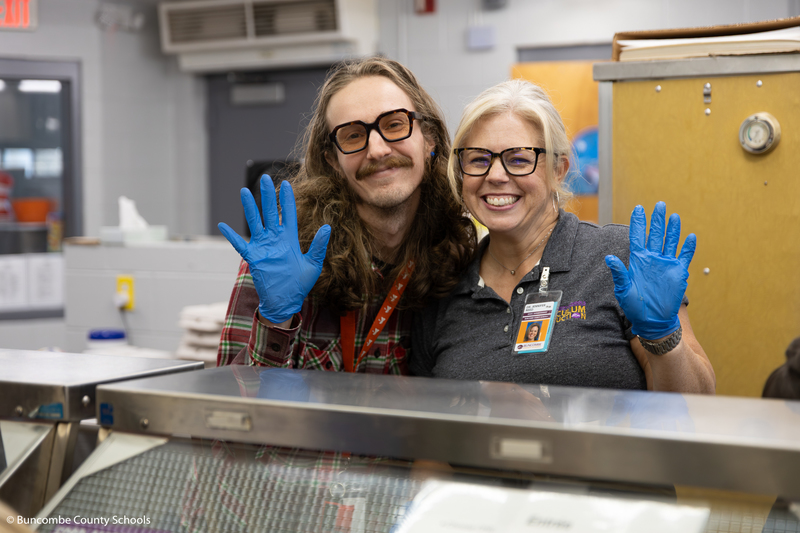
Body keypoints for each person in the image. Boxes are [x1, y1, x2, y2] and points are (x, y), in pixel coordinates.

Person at [411, 79, 716, 393]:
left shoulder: (616, 260)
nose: (496, 175)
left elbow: (696, 401)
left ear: (559, 170)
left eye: (518, 159)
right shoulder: (444, 286)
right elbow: (423, 421)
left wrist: (662, 338)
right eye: (478, 159)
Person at [216, 57, 476, 371]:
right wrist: (277, 321)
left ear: (429, 140)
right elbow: (235, 405)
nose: (378, 150)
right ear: (333, 162)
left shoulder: (456, 255)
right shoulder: (286, 255)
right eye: (352, 135)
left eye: (394, 124)